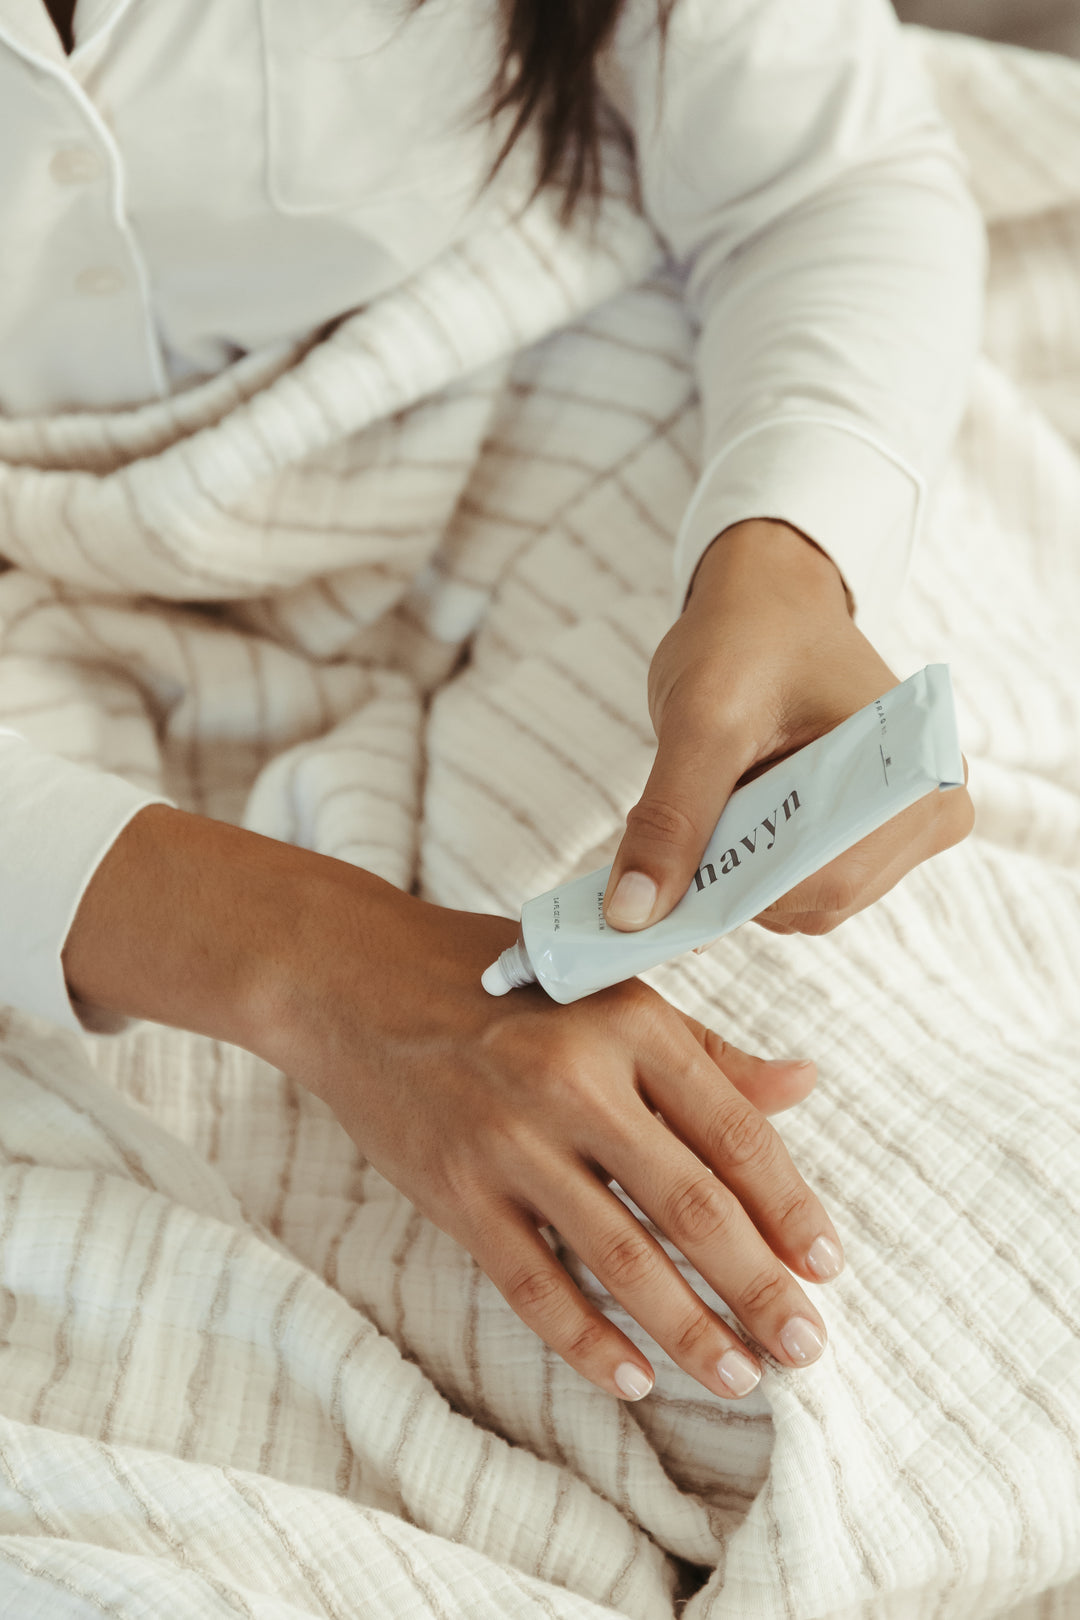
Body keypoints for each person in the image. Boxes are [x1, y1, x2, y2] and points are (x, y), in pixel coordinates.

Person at [0, 0, 983, 1408]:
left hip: (568, 417)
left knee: (876, 1254)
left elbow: (825, 176)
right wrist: (320, 974)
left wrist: (785, 564)